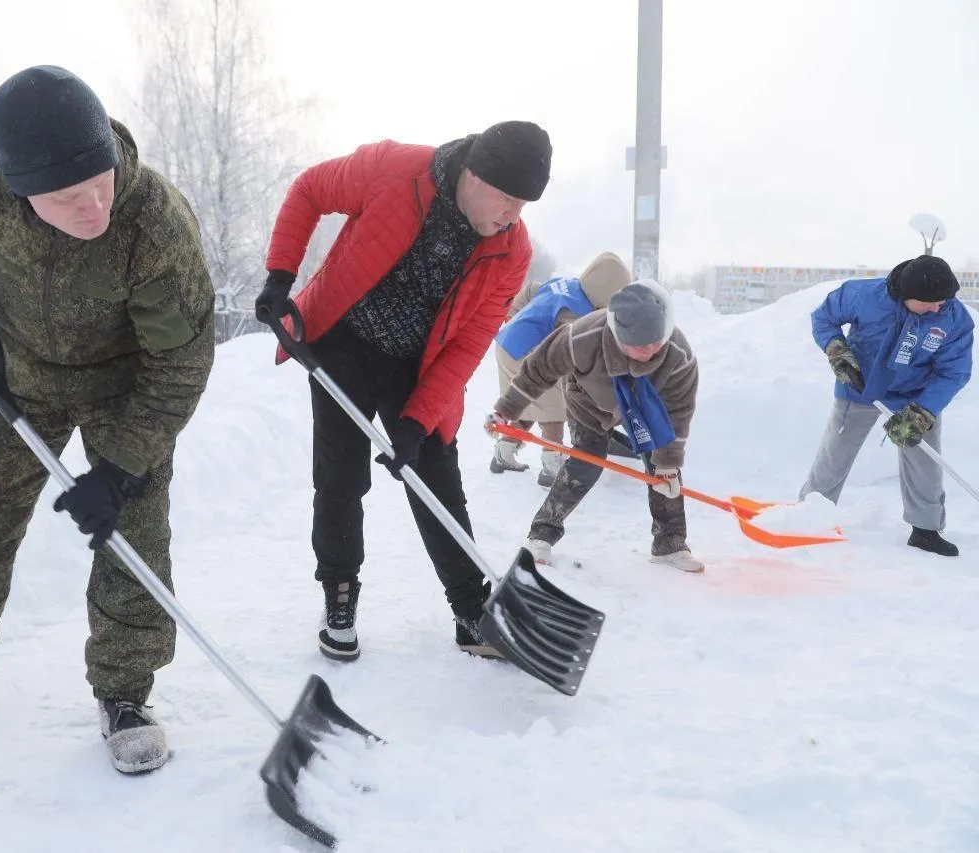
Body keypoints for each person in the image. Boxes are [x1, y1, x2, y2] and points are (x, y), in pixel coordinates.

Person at [0, 66, 215, 774]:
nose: (93, 208)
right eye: (66, 196)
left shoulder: (152, 224)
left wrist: (117, 465)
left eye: (100, 183)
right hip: (20, 373)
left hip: (126, 383)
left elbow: (179, 361)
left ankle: (125, 692)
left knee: (131, 526)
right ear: (18, 188)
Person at [255, 120, 552, 661]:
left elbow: (470, 344)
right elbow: (309, 191)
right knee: (341, 476)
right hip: (345, 341)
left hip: (422, 364)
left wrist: (416, 422)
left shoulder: (512, 251)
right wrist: (280, 278)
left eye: (524, 204)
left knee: (435, 478)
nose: (514, 214)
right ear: (473, 174)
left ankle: (471, 611)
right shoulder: (392, 168)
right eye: (508, 198)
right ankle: (339, 595)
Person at [490, 279, 704, 572]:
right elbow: (538, 370)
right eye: (638, 345)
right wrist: (505, 410)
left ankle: (670, 544)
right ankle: (541, 536)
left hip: (647, 407)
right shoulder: (583, 336)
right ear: (618, 334)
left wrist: (667, 462)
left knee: (664, 470)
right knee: (586, 460)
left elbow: (678, 412)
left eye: (656, 342)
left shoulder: (679, 357)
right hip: (589, 400)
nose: (650, 350)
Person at [799, 255, 973, 556]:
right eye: (928, 302)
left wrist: (923, 412)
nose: (936, 308)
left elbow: (954, 371)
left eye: (942, 301)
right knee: (835, 455)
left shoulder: (955, 319)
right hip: (860, 386)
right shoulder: (863, 295)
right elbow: (823, 317)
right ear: (906, 295)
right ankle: (807, 520)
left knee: (925, 462)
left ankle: (926, 530)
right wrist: (836, 349)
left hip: (916, 396)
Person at [490, 252, 633, 484]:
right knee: (555, 409)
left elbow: (528, 292)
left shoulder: (565, 284)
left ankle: (503, 453)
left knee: (527, 403)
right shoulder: (578, 313)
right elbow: (573, 352)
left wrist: (514, 317)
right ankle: (551, 466)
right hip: (529, 353)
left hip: (508, 344)